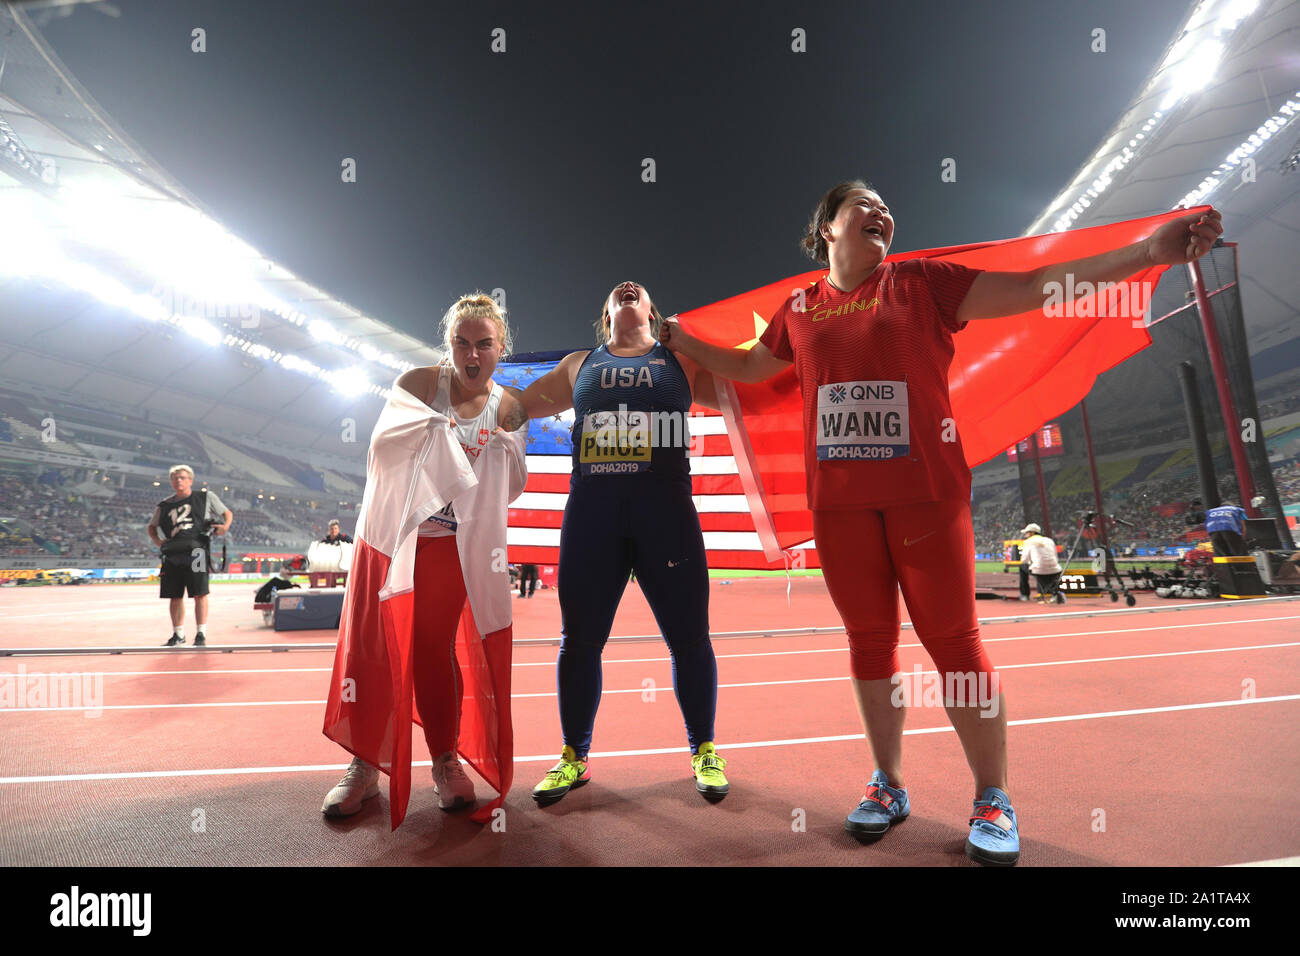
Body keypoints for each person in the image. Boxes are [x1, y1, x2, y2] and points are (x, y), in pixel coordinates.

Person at [661, 180, 1223, 866]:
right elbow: (750, 366)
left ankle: (993, 796)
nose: (880, 211)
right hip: (839, 504)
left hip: (925, 495)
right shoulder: (800, 307)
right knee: (870, 644)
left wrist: (1143, 252)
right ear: (826, 229)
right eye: (861, 203)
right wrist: (680, 340)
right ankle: (889, 785)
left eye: (885, 207)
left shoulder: (921, 282)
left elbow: (1039, 283)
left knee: (953, 643)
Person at [322, 293, 528, 823]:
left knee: (433, 651)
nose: (471, 353)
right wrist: (435, 440)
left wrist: (497, 456)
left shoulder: (508, 408)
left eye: (484, 343)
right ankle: (366, 765)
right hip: (393, 539)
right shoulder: (418, 384)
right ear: (448, 346)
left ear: (501, 348)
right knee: (377, 650)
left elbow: (511, 491)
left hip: (450, 551)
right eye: (461, 343)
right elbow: (381, 451)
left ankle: (444, 760)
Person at [520, 280, 728, 804]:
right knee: (580, 639)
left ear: (653, 312)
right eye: (618, 289)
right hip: (593, 518)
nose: (628, 286)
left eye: (639, 290)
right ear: (606, 311)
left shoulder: (681, 362)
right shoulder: (578, 365)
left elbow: (752, 384)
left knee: (690, 638)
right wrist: (458, 395)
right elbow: (515, 408)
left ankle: (704, 749)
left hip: (667, 518)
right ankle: (573, 756)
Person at [146, 465, 232, 647]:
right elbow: (151, 527)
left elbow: (227, 514)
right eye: (175, 478)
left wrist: (224, 527)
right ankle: (178, 635)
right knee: (174, 596)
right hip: (172, 554)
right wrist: (158, 541)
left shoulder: (205, 497)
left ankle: (201, 633)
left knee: (200, 593)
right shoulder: (164, 505)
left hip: (197, 550)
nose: (179, 481)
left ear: (190, 480)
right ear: (171, 482)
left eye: (183, 478)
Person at [1020, 523, 1063, 604]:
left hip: (1039, 570)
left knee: (1022, 567)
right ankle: (1053, 594)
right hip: (1056, 569)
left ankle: (1024, 594)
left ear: (1032, 533)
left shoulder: (1028, 542)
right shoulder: (1049, 540)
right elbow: (1055, 555)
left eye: (1026, 533)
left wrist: (1031, 562)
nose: (1025, 535)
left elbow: (1024, 560)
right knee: (1043, 569)